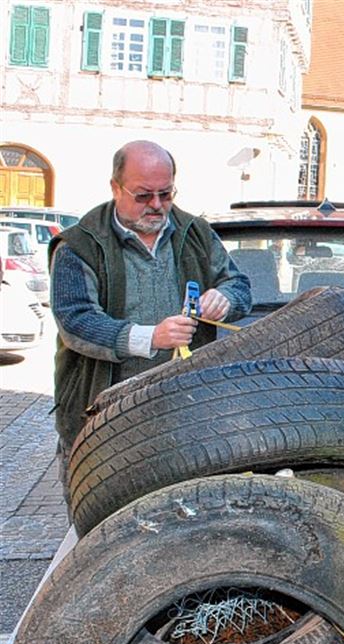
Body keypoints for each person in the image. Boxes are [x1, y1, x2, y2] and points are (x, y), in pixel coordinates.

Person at [50, 140, 251, 455]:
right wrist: (151, 337)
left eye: (166, 193)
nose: (156, 204)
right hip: (103, 419)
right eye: (143, 195)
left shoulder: (196, 232)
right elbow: (76, 322)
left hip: (185, 414)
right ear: (115, 188)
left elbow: (239, 285)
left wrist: (225, 299)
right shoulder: (79, 246)